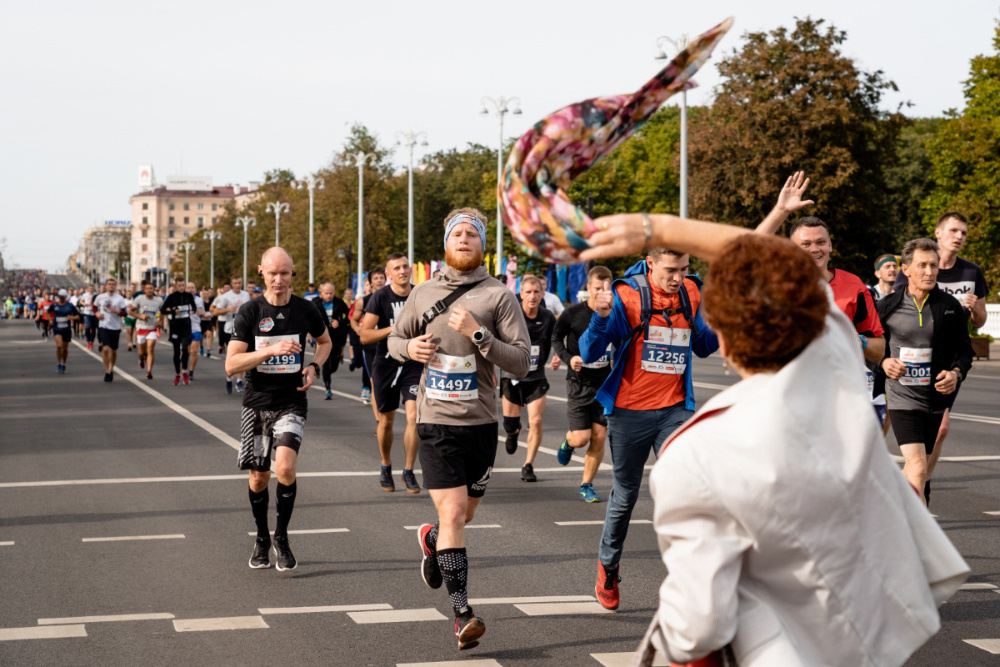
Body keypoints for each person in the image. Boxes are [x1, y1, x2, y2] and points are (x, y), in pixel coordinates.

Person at [577, 215, 969, 667]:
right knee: (624, 495)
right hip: (876, 640)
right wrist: (657, 228)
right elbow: (797, 273)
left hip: (785, 655)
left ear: (722, 338)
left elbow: (697, 631)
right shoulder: (839, 377)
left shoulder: (694, 456)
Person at [387, 209, 530, 650]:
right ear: (446, 243)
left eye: (472, 234)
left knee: (462, 516)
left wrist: (480, 335)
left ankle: (430, 539)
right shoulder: (424, 292)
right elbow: (394, 340)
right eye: (457, 233)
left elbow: (523, 362)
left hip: (481, 423)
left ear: (483, 244)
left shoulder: (498, 297)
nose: (464, 239)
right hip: (436, 421)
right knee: (453, 515)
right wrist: (409, 347)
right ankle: (462, 613)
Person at [579, 239, 719, 611]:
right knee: (625, 495)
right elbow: (590, 351)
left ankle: (693, 577)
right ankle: (608, 567)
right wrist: (600, 315)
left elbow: (705, 346)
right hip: (629, 411)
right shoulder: (628, 296)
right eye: (670, 270)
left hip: (675, 409)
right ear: (650, 265)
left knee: (687, 487)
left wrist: (720, 319)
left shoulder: (692, 292)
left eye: (684, 269)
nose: (678, 278)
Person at [226, 247, 332, 572]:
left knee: (284, 469)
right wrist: (271, 350)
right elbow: (231, 365)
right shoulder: (250, 311)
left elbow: (325, 341)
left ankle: (281, 537)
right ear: (261, 272)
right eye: (273, 273)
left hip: (291, 401)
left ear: (293, 272)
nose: (279, 280)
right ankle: (261, 536)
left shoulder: (306, 309)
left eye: (285, 273)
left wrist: (313, 366)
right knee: (259, 477)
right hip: (257, 403)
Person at [893, 212, 989, 497]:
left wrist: (975, 309)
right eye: (954, 231)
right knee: (932, 431)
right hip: (912, 362)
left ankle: (922, 481)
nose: (959, 237)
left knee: (941, 428)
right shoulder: (915, 266)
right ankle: (918, 481)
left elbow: (980, 322)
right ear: (938, 233)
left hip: (949, 362)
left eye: (964, 233)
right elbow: (900, 309)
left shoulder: (972, 273)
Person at [877, 238, 974, 505]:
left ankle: (892, 510)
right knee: (918, 467)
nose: (929, 272)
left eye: (933, 265)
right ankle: (918, 541)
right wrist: (885, 362)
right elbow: (869, 347)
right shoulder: (887, 306)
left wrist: (956, 373)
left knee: (918, 474)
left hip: (933, 399)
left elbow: (965, 352)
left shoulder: (950, 307)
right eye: (922, 265)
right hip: (901, 398)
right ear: (906, 269)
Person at [552, 266, 615, 502]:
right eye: (597, 288)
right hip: (579, 381)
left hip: (604, 383)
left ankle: (586, 485)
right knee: (581, 438)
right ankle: (568, 442)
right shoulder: (573, 313)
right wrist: (570, 359)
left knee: (599, 437)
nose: (602, 293)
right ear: (588, 288)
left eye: (606, 288)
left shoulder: (615, 312)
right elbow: (556, 337)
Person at [362, 254, 423, 493]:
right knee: (386, 421)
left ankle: (408, 471)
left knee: (413, 417)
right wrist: (394, 329)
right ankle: (386, 465)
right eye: (396, 268)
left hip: (413, 363)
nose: (402, 271)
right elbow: (365, 335)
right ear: (389, 274)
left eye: (406, 266)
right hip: (386, 363)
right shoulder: (380, 297)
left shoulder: (420, 294)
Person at [500, 275, 557, 483]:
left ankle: (528, 464)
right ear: (521, 294)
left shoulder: (547, 316)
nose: (532, 296)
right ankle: (513, 433)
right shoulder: (511, 314)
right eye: (528, 292)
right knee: (510, 424)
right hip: (512, 375)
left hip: (536, 376)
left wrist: (558, 354)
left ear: (542, 294)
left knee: (536, 420)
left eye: (536, 292)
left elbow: (555, 339)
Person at [351, 267, 387, 408]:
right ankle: (380, 421)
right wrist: (357, 328)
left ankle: (385, 415)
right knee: (375, 383)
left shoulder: (390, 297)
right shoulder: (363, 302)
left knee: (387, 384)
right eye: (376, 278)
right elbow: (354, 320)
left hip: (388, 345)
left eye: (381, 278)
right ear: (370, 283)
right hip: (370, 347)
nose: (379, 280)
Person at [212, 276, 251, 393]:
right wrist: (228, 309)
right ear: (232, 284)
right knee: (232, 356)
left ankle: (239, 381)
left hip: (243, 328)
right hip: (229, 329)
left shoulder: (245, 295)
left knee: (242, 355)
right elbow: (216, 311)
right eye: (235, 283)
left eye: (239, 283)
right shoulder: (226, 296)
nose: (238, 285)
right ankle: (229, 377)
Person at [313, 282, 350, 400]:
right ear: (321, 293)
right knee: (326, 364)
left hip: (336, 337)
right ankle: (328, 388)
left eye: (331, 293)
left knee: (334, 364)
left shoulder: (339, 303)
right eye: (326, 293)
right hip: (322, 337)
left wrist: (340, 323)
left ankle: (329, 372)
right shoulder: (315, 303)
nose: (329, 295)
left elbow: (349, 318)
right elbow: (309, 318)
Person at [161, 277, 196, 386]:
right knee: (176, 352)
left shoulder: (188, 296)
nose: (181, 287)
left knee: (185, 349)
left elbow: (193, 306)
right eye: (179, 285)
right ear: (176, 286)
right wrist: (172, 310)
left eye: (183, 285)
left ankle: (184, 371)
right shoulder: (171, 297)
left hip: (186, 326)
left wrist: (193, 310)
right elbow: (163, 309)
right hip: (175, 327)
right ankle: (177, 374)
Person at [94, 278, 128, 382]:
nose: (111, 286)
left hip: (115, 327)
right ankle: (107, 371)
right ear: (106, 286)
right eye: (109, 284)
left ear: (115, 286)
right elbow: (94, 307)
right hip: (104, 326)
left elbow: (125, 313)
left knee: (113, 351)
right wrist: (97, 314)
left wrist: (116, 311)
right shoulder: (100, 297)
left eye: (113, 284)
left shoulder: (119, 298)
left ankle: (112, 368)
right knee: (105, 349)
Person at [130, 282, 163, 380]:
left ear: (153, 290)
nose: (149, 290)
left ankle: (149, 371)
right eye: (147, 288)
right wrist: (140, 316)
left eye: (151, 288)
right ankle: (141, 358)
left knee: (150, 348)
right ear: (144, 290)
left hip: (152, 328)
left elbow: (163, 312)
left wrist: (159, 321)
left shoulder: (159, 301)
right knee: (142, 350)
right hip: (141, 327)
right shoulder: (139, 299)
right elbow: (130, 311)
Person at [48, 289, 80, 373]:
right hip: (57, 329)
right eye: (60, 297)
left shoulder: (70, 305)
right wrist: (50, 320)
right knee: (59, 345)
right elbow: (47, 312)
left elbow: (78, 316)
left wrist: (72, 318)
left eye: (63, 297)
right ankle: (59, 363)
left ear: (65, 297)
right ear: (58, 297)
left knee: (65, 349)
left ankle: (64, 363)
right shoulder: (54, 305)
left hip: (67, 329)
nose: (62, 299)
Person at [187, 282, 208, 380]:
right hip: (184, 329)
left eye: (192, 288)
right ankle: (183, 369)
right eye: (189, 288)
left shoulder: (199, 300)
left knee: (194, 350)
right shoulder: (181, 299)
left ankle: (191, 371)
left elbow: (202, 313)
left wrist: (201, 313)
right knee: (185, 352)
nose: (191, 289)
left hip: (196, 328)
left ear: (195, 290)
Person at [200, 287, 216, 358]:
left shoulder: (211, 302)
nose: (206, 295)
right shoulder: (200, 302)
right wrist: (203, 314)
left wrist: (212, 314)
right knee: (201, 336)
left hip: (209, 321)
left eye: (207, 294)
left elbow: (214, 310)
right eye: (204, 294)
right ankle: (201, 346)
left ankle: (208, 350)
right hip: (201, 321)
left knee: (209, 334)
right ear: (202, 294)